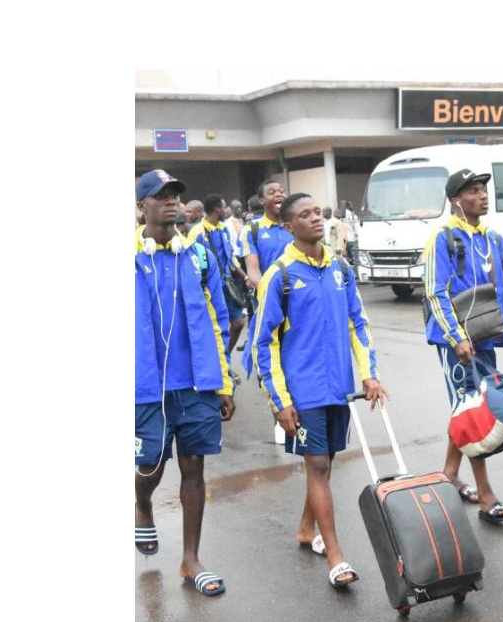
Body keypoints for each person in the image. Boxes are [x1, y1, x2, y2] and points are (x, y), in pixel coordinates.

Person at [251, 193, 387, 588]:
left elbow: (357, 324)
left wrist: (369, 374)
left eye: (317, 212)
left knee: (325, 458)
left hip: (338, 388)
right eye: (304, 215)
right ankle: (335, 554)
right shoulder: (281, 275)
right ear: (289, 227)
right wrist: (280, 401)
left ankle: (305, 528)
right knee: (320, 466)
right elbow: (265, 343)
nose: (316, 218)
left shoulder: (340, 268)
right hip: (303, 391)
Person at [423, 168, 503, 523]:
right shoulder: (443, 237)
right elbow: (435, 292)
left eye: (484, 190)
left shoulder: (492, 238)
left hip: (486, 335)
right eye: (474, 191)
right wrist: (457, 337)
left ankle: (450, 471)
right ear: (456, 200)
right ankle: (485, 494)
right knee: (474, 411)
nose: (483, 196)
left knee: (470, 408)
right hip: (456, 342)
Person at [134, 169, 236, 597]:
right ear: (142, 207)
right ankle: (142, 504)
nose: (172, 201)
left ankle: (191, 560)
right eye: (161, 195)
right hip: (142, 385)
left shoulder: (197, 254)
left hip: (196, 382)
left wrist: (224, 381)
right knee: (151, 464)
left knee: (194, 466)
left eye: (176, 194)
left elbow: (218, 316)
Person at [187, 194, 247, 383]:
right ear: (216, 209)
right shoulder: (197, 232)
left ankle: (225, 360)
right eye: (224, 206)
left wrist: (244, 276)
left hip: (226, 285)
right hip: (208, 287)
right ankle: (219, 368)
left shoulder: (224, 229)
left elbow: (230, 258)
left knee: (238, 323)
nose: (227, 210)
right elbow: (191, 260)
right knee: (214, 329)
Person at [240, 177, 295, 290]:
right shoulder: (251, 230)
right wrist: (270, 294)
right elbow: (253, 271)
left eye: (281, 191)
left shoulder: (296, 225)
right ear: (261, 200)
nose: (279, 194)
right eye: (272, 192)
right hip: (269, 295)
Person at [338, 200, 359, 264]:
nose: (352, 206)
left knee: (346, 256)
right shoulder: (352, 215)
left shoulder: (340, 215)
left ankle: (348, 265)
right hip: (351, 238)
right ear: (348, 206)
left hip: (344, 239)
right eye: (350, 205)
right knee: (353, 256)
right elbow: (356, 227)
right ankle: (353, 266)